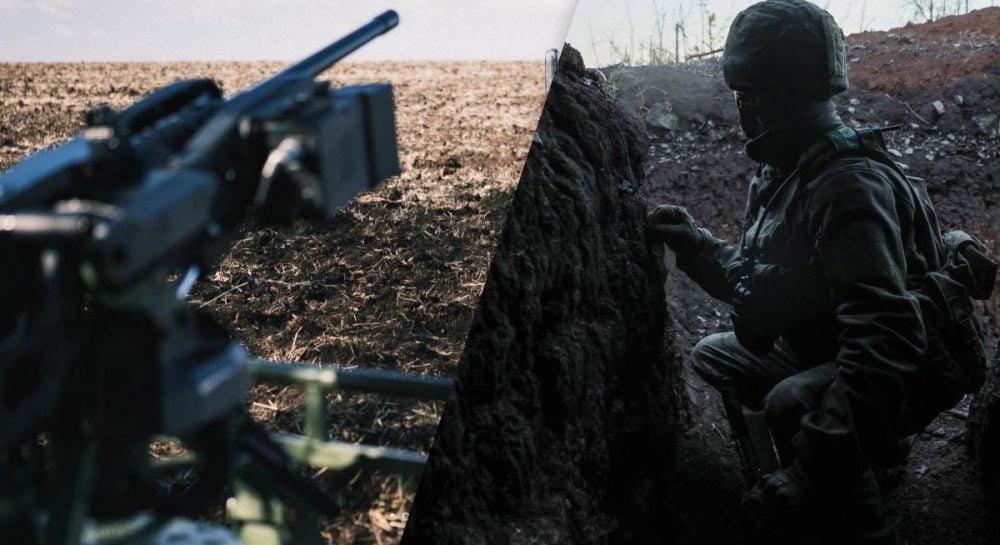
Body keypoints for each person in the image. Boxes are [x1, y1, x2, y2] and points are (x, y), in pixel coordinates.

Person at [646, 1, 991, 543]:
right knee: (716, 354)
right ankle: (832, 470)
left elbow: (885, 337)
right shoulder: (789, 169)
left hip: (913, 364)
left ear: (778, 96)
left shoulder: (846, 185)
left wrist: (810, 470)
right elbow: (770, 281)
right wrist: (696, 246)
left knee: (792, 402)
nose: (742, 108)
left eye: (750, 94)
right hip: (839, 342)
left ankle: (860, 515)